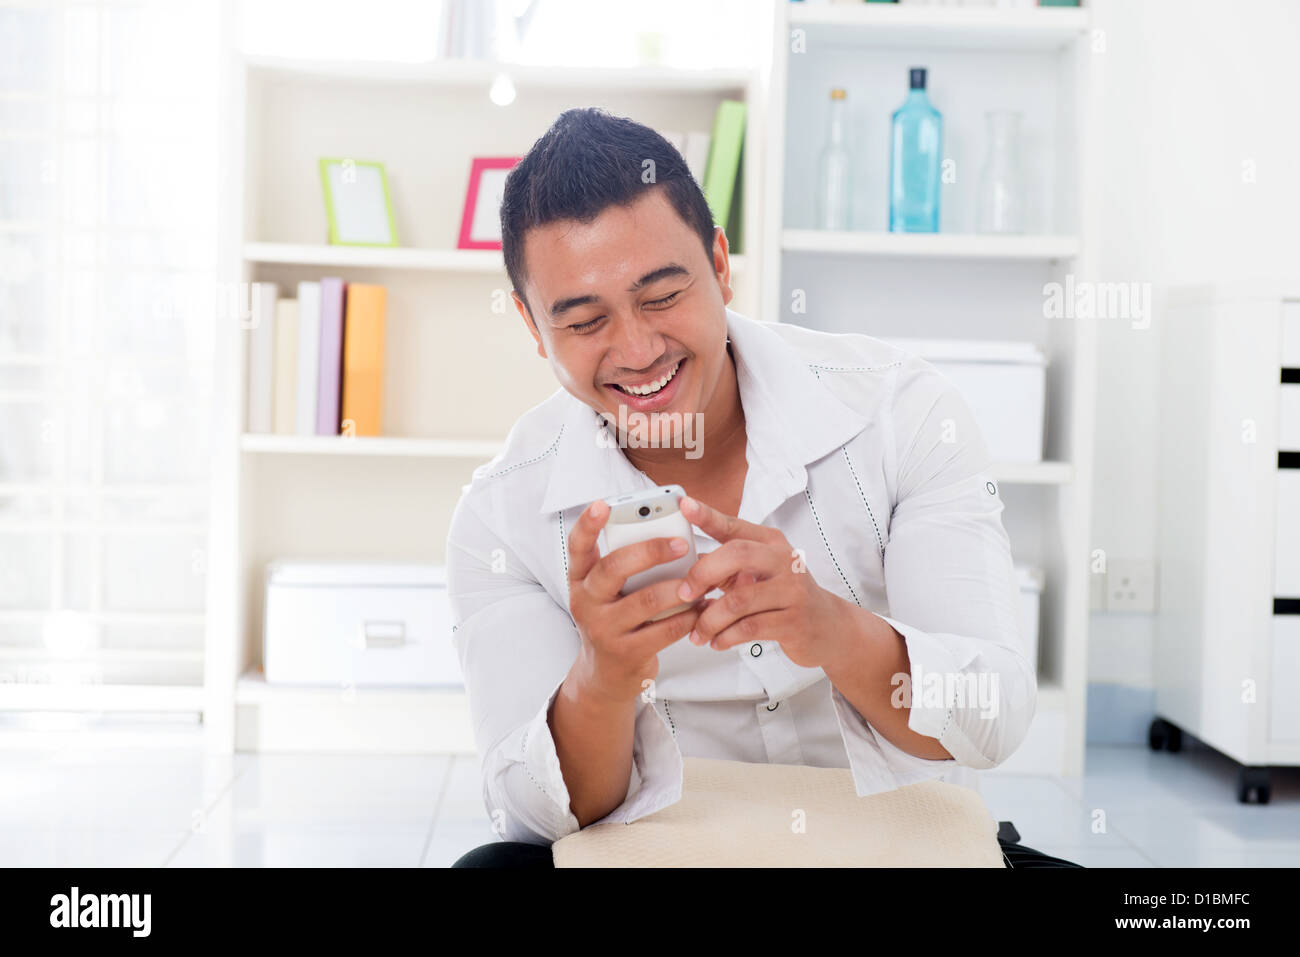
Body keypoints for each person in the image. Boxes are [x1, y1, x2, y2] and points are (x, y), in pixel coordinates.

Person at [446, 107, 1078, 868]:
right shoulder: (501, 516)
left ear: (719, 262)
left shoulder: (899, 412)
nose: (638, 349)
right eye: (584, 321)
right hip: (660, 855)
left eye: (660, 295)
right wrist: (602, 681)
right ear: (531, 324)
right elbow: (538, 813)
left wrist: (832, 629)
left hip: (896, 845)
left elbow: (994, 714)